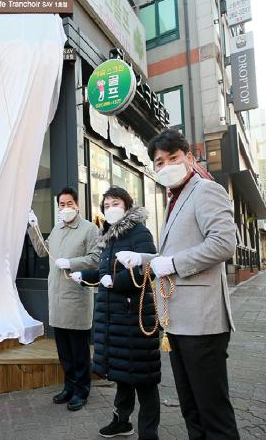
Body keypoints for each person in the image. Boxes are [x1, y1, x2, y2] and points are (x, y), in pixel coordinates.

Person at [116, 129, 239, 439]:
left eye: (173, 158)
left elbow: (224, 243)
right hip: (178, 322)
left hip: (202, 322)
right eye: (159, 162)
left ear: (190, 158)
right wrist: (144, 259)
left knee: (213, 412)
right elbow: (171, 253)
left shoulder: (205, 190)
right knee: (191, 409)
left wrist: (172, 264)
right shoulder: (175, 199)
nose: (166, 165)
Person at [73, 186, 160, 440]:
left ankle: (149, 433)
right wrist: (85, 275)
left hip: (134, 317)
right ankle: (122, 421)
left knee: (144, 378)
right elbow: (104, 275)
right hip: (112, 318)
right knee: (122, 373)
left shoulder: (139, 232)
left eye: (116, 203)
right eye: (107, 205)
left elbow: (149, 268)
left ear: (127, 205)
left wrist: (117, 281)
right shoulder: (108, 236)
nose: (111, 209)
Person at [27, 187, 100, 411]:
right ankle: (69, 387)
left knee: (79, 351)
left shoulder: (89, 229)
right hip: (57, 298)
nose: (65, 208)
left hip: (76, 298)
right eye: (61, 204)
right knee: (64, 351)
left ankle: (82, 390)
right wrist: (34, 227)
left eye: (69, 203)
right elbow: (42, 251)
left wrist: (71, 263)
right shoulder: (57, 229)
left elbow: (96, 258)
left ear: (77, 205)